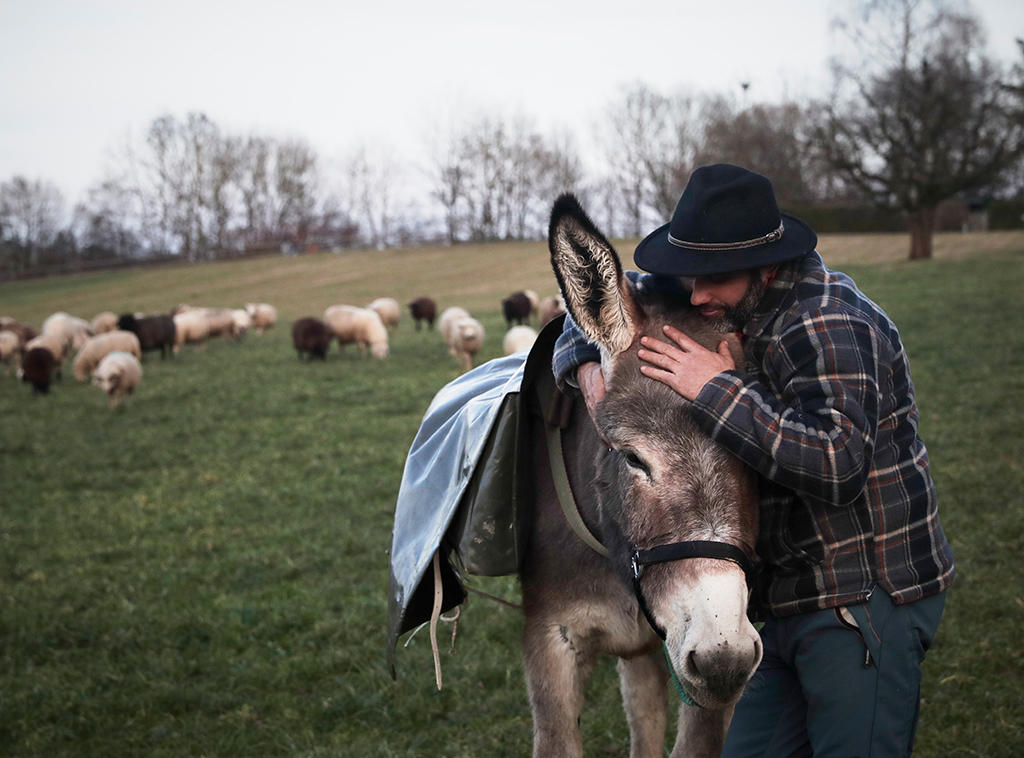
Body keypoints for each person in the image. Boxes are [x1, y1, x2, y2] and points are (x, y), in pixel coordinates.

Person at [552, 164, 955, 757]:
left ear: (768, 265)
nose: (696, 296)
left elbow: (838, 465)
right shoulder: (731, 302)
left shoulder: (829, 322)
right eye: (691, 274)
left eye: (714, 278)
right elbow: (598, 302)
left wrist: (713, 388)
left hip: (863, 599)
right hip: (786, 599)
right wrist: (586, 361)